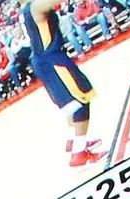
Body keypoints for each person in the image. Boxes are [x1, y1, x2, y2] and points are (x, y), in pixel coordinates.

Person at [24, 0, 106, 165]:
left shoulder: (28, 8)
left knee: (70, 102)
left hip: (46, 59)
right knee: (80, 101)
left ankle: (74, 140)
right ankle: (79, 153)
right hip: (51, 59)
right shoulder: (35, 7)